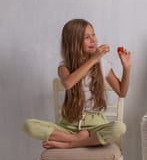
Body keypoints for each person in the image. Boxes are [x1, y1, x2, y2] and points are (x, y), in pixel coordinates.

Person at [23, 19, 131, 148]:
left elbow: (122, 92)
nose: (93, 40)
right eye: (87, 37)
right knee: (28, 125)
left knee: (119, 128)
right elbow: (68, 83)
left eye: (93, 34)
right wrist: (94, 59)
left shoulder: (102, 64)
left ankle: (70, 144)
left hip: (95, 125)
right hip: (68, 124)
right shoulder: (65, 66)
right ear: (74, 42)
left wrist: (127, 68)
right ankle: (74, 138)